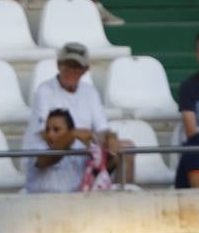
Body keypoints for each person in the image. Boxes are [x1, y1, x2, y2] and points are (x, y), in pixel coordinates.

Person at [29, 42, 126, 176]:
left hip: (83, 158)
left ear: (85, 69)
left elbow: (102, 129)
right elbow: (45, 135)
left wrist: (110, 138)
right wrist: (74, 135)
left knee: (125, 149)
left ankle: (123, 189)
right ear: (58, 65)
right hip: (52, 160)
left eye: (76, 67)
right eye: (67, 66)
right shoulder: (44, 90)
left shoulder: (90, 92)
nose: (71, 71)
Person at [25, 108, 90, 193]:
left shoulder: (80, 149)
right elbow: (50, 158)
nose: (50, 134)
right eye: (47, 130)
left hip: (74, 200)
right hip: (40, 200)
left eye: (56, 130)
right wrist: (72, 135)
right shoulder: (37, 146)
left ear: (69, 130)